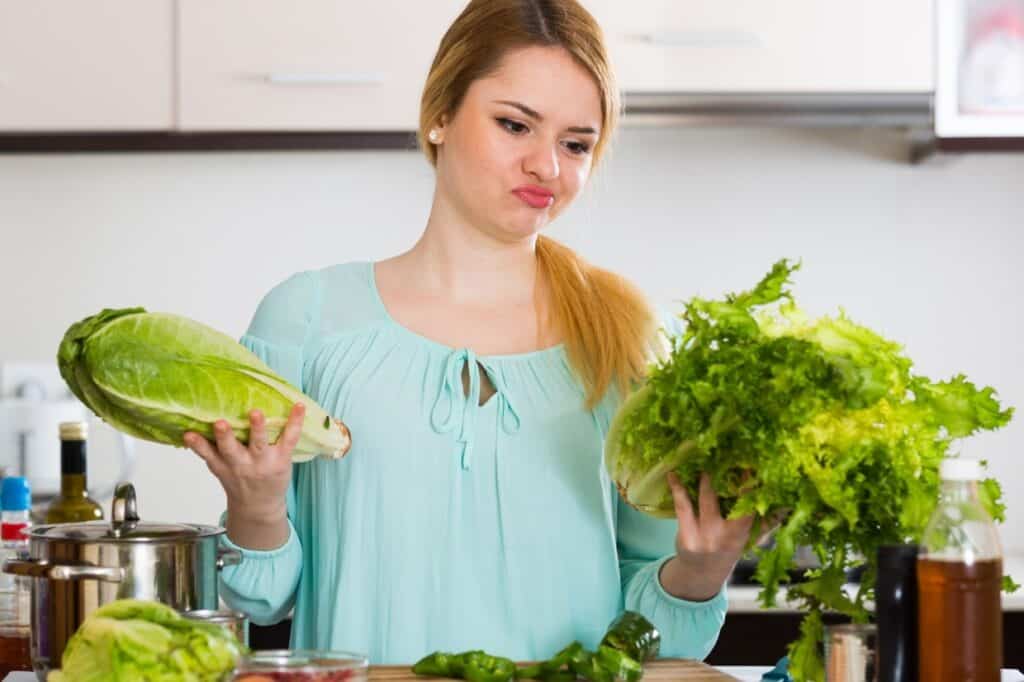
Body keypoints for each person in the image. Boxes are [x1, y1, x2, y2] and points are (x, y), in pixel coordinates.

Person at [184, 0, 757, 665]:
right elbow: (262, 600)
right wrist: (254, 508)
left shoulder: (622, 335)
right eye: (516, 125)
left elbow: (665, 639)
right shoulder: (306, 320)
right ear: (440, 115)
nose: (548, 166)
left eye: (576, 143)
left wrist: (700, 571)